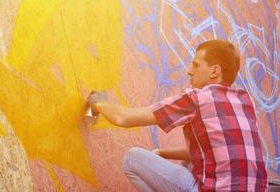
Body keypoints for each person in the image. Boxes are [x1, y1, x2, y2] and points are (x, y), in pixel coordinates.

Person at [86, 40, 267, 191]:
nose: (189, 70)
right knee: (191, 166)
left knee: (132, 159)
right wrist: (162, 153)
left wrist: (98, 103)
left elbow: (123, 118)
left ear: (214, 71)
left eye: (195, 65)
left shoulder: (197, 98)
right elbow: (210, 151)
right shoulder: (245, 103)